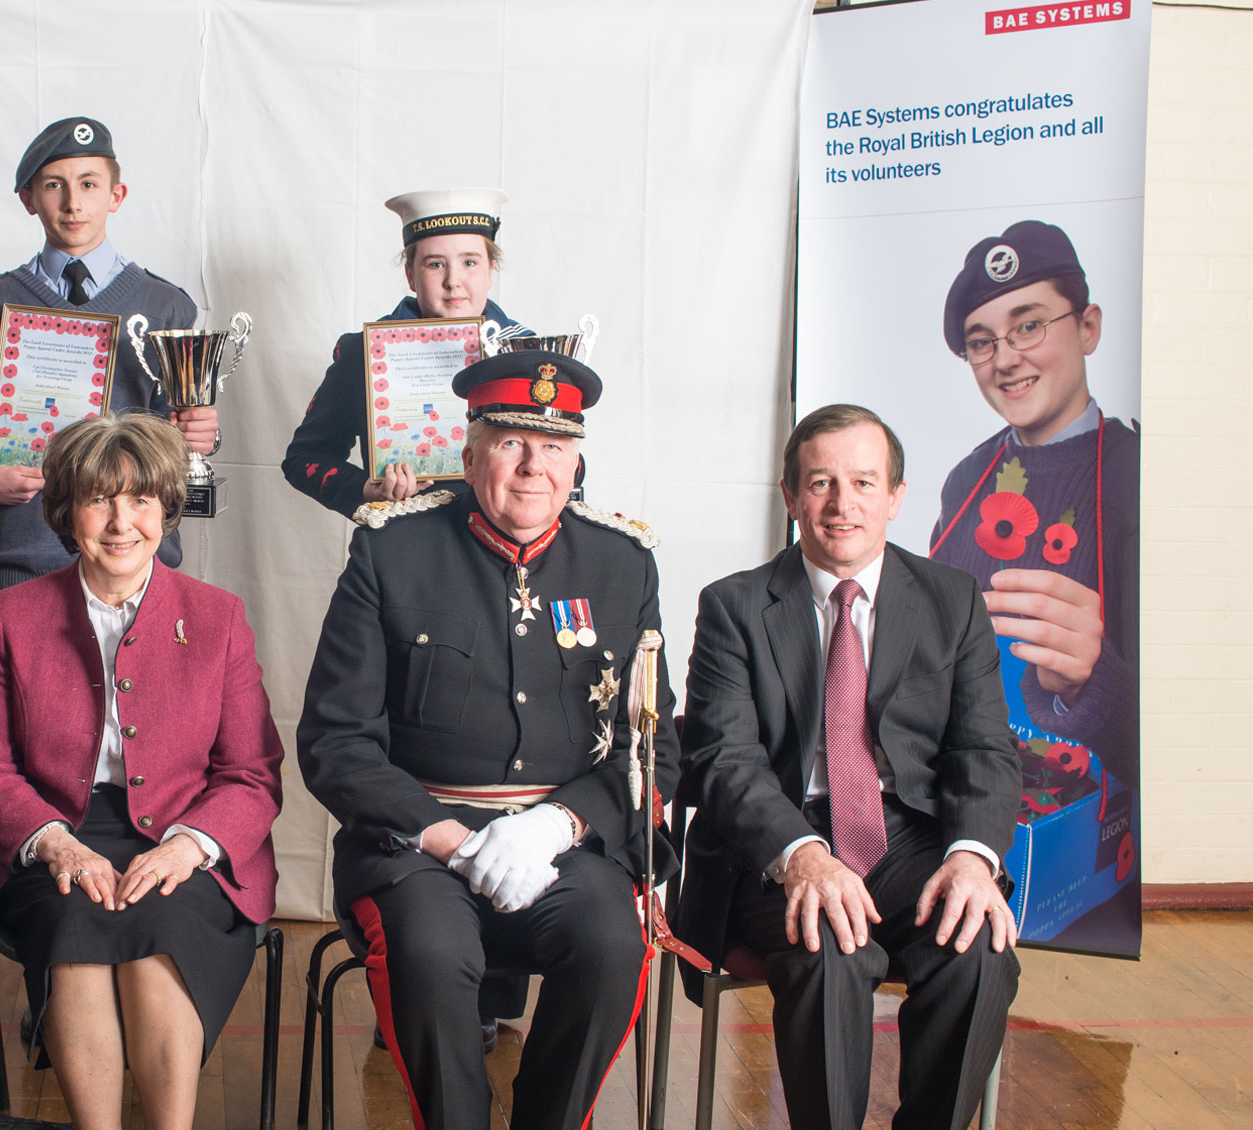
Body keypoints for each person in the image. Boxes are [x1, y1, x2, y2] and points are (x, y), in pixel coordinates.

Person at [297, 350, 678, 1130]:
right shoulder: (391, 551)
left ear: (577, 464)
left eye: (556, 447)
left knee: (612, 946)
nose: (534, 467)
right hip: (419, 845)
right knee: (432, 956)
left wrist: (556, 825)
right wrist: (454, 842)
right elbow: (336, 741)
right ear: (469, 456)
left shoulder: (622, 564)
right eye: (510, 443)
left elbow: (653, 750)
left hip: (563, 844)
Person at [676, 404, 1021, 1130]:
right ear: (791, 495)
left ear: (896, 496)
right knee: (827, 949)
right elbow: (724, 760)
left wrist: (973, 858)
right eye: (822, 482)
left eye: (864, 482)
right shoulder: (734, 607)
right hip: (775, 844)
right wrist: (802, 855)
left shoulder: (952, 602)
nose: (843, 503)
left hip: (908, 838)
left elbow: (985, 748)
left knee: (979, 946)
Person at [0, 412, 283, 1130]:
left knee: (158, 924)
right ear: (65, 513)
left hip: (186, 834)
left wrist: (187, 847)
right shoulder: (15, 615)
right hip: (57, 837)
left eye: (139, 499)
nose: (120, 521)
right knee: (76, 917)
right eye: (99, 498)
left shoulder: (218, 616)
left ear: (166, 510)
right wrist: (55, 843)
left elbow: (253, 773)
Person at [0, 116, 216, 590]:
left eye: (89, 184)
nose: (73, 203)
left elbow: (180, 429)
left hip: (135, 557)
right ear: (29, 199)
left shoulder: (165, 306)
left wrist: (200, 433)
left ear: (116, 195)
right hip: (27, 554)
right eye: (54, 185)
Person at [932, 219, 1138, 787]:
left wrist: (1090, 681)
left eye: (1029, 325)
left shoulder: (1142, 477)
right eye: (983, 341)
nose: (1005, 359)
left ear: (1088, 327)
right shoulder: (966, 480)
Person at [283, 188, 526, 519]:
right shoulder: (365, 353)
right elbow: (304, 459)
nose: (453, 281)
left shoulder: (526, 351)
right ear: (411, 275)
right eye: (435, 264)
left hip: (506, 546)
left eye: (470, 262)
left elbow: (570, 464)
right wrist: (368, 491)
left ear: (491, 269)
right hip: (404, 544)